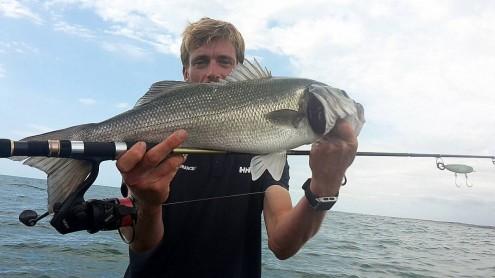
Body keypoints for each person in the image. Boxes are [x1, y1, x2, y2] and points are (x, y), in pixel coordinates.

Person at [118, 17, 358, 277]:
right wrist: (149, 205)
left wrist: (324, 186)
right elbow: (141, 244)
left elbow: (282, 244)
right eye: (200, 61)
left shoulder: (268, 147)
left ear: (240, 71)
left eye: (225, 61)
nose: (213, 72)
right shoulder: (156, 148)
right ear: (185, 74)